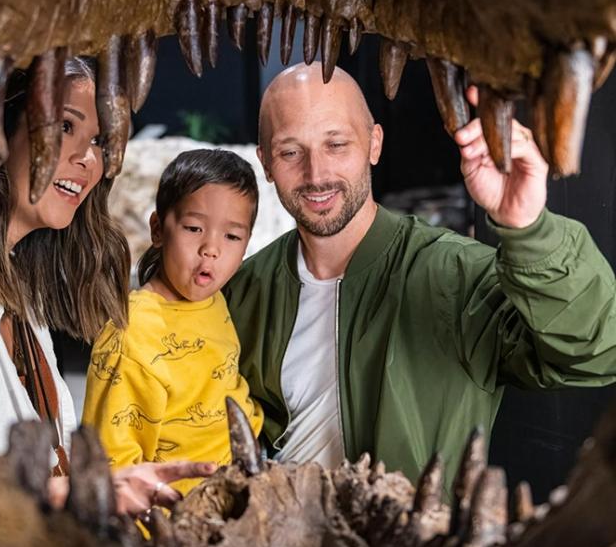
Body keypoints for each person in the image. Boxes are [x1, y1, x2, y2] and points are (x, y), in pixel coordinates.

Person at [224, 62, 616, 498]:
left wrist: (528, 228)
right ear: (265, 162)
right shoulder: (241, 292)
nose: (317, 174)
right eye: (291, 152)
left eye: (336, 144)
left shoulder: (453, 274)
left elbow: (596, 350)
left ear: (374, 143)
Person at [0, 56, 214, 514]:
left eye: (97, 140)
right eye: (66, 127)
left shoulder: (18, 291)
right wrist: (73, 493)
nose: (87, 158)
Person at [83, 149, 264, 495]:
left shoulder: (215, 299)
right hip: (181, 507)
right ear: (158, 229)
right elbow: (113, 461)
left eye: (232, 236)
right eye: (194, 228)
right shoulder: (131, 336)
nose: (211, 249)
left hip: (246, 472)